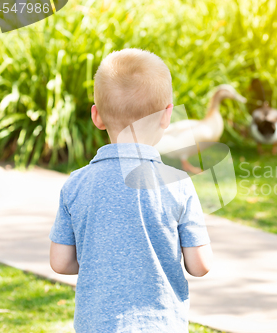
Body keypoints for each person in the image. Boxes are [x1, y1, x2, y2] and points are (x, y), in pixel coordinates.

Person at [48, 48, 212, 332]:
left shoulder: (76, 183)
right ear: (166, 116)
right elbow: (200, 265)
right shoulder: (178, 183)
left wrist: (104, 262)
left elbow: (60, 263)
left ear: (97, 117)